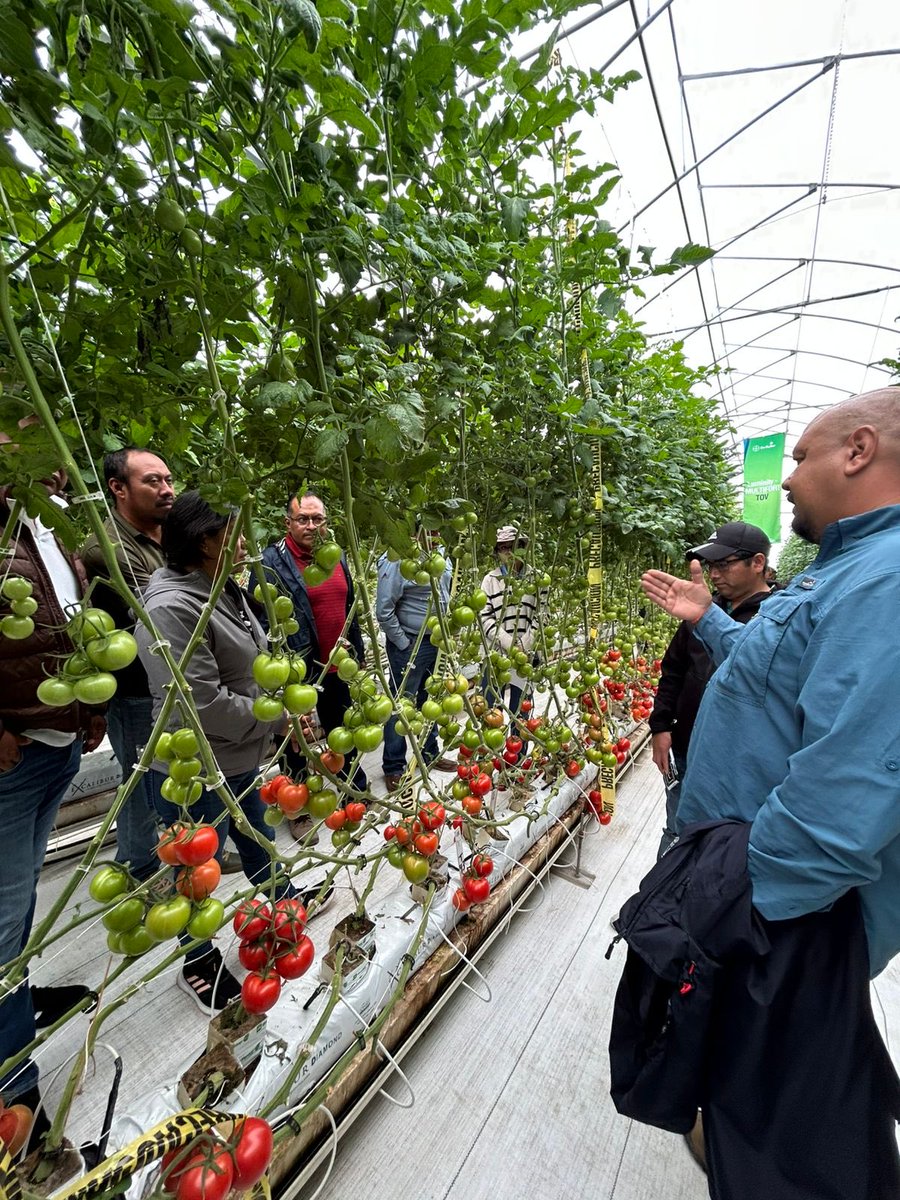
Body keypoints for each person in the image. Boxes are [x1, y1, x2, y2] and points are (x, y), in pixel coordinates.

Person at [639, 388, 900, 1199]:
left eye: (801, 456)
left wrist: (731, 904)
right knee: (767, 1094)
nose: (787, 478)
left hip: (786, 911)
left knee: (791, 1141)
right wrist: (710, 622)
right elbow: (788, 674)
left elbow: (847, 789)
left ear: (857, 451)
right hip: (770, 894)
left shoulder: (888, 582)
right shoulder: (852, 568)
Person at [136, 492, 293, 1014]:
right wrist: (274, 710)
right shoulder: (172, 608)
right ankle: (197, 960)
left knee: (255, 831)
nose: (245, 542)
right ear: (206, 541)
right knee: (194, 873)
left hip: (238, 751)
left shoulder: (220, 588)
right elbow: (200, 703)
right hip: (197, 765)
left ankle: (280, 891)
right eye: (235, 532)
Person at [0, 442, 103, 1138]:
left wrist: (87, 710)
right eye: (24, 438)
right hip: (13, 753)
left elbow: (76, 625)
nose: (52, 459)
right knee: (3, 919)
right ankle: (15, 1085)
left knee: (23, 898)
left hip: (57, 744)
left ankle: (20, 1000)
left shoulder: (51, 525)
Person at [648, 522, 772, 858]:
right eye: (711, 566)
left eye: (724, 564)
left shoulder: (775, 618)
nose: (714, 574)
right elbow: (673, 668)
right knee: (676, 827)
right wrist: (660, 726)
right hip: (686, 745)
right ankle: (664, 894)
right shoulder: (701, 609)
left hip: (733, 759)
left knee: (721, 842)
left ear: (757, 563)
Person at [81, 448, 173, 881]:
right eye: (152, 481)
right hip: (138, 691)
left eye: (168, 479)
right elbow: (162, 615)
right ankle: (140, 868)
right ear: (118, 488)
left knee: (176, 771)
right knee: (140, 780)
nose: (166, 489)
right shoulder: (108, 549)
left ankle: (180, 853)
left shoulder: (169, 534)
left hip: (175, 679)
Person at [261, 491, 367, 797]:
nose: (310, 525)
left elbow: (350, 609)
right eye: (302, 519)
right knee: (296, 737)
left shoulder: (336, 555)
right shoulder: (271, 561)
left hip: (337, 664)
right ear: (288, 523)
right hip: (297, 668)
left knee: (341, 730)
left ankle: (352, 788)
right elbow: (263, 619)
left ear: (326, 523)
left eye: (317, 518)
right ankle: (294, 801)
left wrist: (356, 651)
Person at [376, 527, 456, 792]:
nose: (434, 534)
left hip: (437, 643)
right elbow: (384, 610)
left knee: (430, 699)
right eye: (429, 529)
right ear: (416, 529)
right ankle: (394, 766)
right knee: (401, 704)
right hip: (410, 642)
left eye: (438, 528)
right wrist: (403, 642)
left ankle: (430, 752)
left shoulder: (443, 555)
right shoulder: (399, 559)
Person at [480, 525, 543, 715]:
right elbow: (484, 617)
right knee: (491, 714)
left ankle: (519, 744)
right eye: (502, 548)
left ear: (522, 547)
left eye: (512, 546)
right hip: (495, 655)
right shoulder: (490, 580)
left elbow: (543, 616)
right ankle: (494, 747)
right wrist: (508, 643)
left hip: (526, 655)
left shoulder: (538, 579)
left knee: (522, 713)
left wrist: (524, 645)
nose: (508, 552)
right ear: (497, 552)